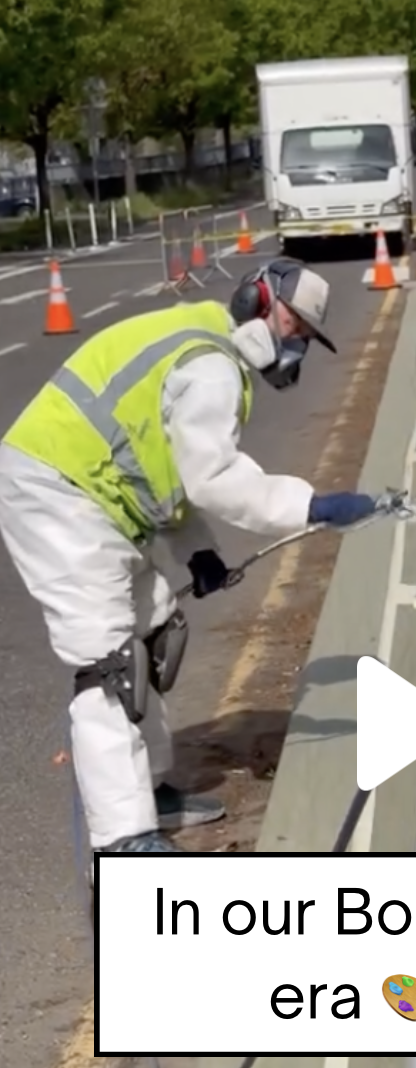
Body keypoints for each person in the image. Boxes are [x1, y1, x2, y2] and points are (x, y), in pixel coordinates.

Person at [0, 258, 379, 867]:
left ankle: (149, 792)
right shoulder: (213, 367)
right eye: (293, 326)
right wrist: (314, 505)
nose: (295, 348)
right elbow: (215, 479)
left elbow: (166, 468)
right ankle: (123, 839)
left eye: (305, 338)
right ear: (258, 301)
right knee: (108, 664)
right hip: (59, 492)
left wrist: (196, 548)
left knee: (151, 629)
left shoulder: (202, 338)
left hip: (100, 496)